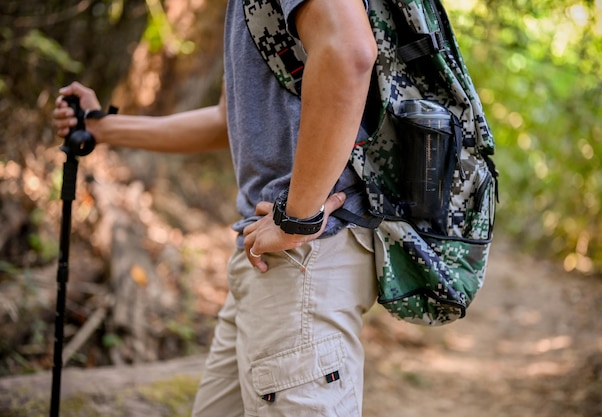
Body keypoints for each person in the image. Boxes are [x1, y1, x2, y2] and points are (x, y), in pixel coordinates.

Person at [53, 0, 378, 415]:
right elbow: (231, 118)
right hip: (268, 263)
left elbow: (350, 53)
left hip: (300, 260)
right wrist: (104, 127)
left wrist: (297, 217)